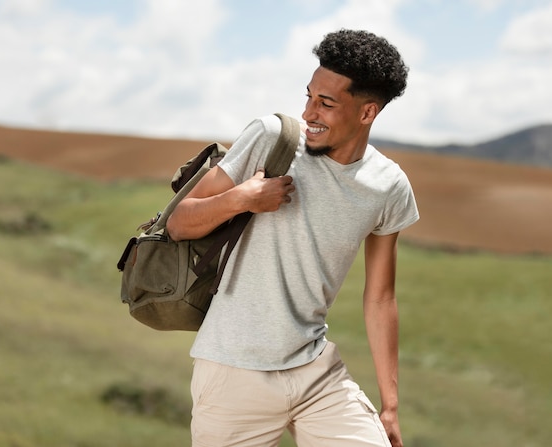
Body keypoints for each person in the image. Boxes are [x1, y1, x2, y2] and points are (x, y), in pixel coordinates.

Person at [167, 29, 419, 447]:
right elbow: (178, 222)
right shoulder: (271, 138)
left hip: (316, 371)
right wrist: (240, 199)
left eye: (326, 103)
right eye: (308, 96)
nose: (309, 112)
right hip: (232, 373)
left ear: (367, 112)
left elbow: (380, 298)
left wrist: (389, 405)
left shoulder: (388, 185)